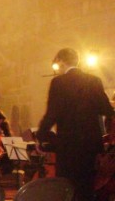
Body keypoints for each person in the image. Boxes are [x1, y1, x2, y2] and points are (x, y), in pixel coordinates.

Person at [37, 48, 113, 201]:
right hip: (90, 145)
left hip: (68, 144)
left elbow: (52, 113)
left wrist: (40, 135)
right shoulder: (94, 80)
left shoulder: (58, 82)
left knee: (67, 186)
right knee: (86, 186)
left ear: (61, 61)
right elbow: (106, 109)